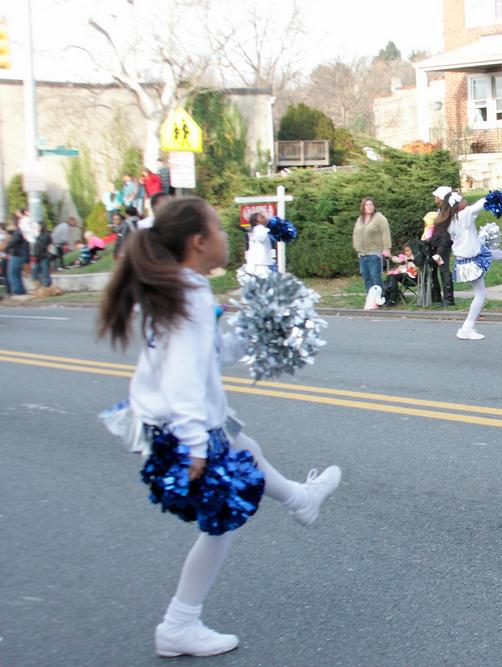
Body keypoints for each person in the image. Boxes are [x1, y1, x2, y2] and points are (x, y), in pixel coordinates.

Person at [97, 196, 341, 658]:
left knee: (245, 448)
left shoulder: (180, 289)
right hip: (181, 428)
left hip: (174, 422)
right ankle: (179, 624)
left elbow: (209, 355)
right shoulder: (188, 296)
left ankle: (300, 499)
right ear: (199, 242)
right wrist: (195, 446)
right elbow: (183, 378)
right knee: (220, 521)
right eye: (221, 230)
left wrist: (259, 330)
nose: (227, 237)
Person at [445, 191, 502, 340]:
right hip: (471, 262)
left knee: (495, 253)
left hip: (469, 257)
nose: (466, 200)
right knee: (480, 294)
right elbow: (479, 205)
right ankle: (466, 329)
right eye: (463, 199)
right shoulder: (463, 216)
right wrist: (495, 197)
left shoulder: (451, 220)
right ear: (457, 205)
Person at [352, 197, 391, 298]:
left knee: (375, 277)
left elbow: (385, 233)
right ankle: (370, 299)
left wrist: (387, 248)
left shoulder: (379, 218)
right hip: (362, 254)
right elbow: (355, 234)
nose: (369, 207)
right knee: (366, 277)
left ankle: (379, 298)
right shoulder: (360, 219)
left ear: (374, 206)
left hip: (374, 253)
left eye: (371, 205)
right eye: (366, 205)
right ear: (363, 207)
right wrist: (356, 246)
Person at [427, 186, 454, 305]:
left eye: (436, 196)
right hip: (437, 245)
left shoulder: (447, 212)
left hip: (442, 247)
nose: (435, 198)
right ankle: (437, 296)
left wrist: (440, 250)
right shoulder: (441, 211)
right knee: (434, 269)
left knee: (443, 269)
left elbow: (445, 233)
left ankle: (448, 299)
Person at [383, 242, 419, 306]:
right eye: (405, 251)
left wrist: (404, 270)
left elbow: (416, 270)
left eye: (408, 251)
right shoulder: (406, 258)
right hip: (405, 277)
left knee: (394, 277)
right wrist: (390, 256)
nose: (406, 252)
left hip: (413, 279)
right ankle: (388, 297)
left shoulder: (416, 258)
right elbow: (398, 260)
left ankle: (393, 298)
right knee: (390, 276)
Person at [242, 212, 274, 277]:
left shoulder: (255, 230)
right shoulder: (260, 228)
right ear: (256, 222)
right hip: (260, 263)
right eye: (262, 217)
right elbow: (261, 238)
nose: (265, 218)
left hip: (256, 261)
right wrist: (267, 229)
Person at [4, 223, 29, 296]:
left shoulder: (17, 233)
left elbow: (11, 243)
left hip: (17, 255)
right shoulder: (18, 233)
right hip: (19, 255)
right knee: (16, 273)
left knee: (13, 272)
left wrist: (6, 248)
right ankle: (20, 290)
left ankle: (17, 291)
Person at [30, 222, 53, 289]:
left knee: (45, 272)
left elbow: (41, 247)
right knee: (35, 272)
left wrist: (36, 255)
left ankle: (47, 286)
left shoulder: (45, 235)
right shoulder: (40, 235)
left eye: (38, 227)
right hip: (39, 257)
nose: (37, 228)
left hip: (43, 256)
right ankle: (39, 286)